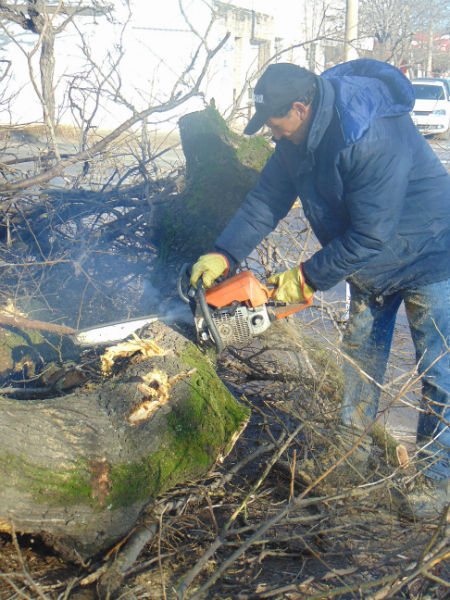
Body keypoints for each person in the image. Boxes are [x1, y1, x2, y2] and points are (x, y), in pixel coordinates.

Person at [189, 58, 450, 520]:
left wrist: (306, 278)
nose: (273, 134)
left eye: (276, 124)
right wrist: (225, 253)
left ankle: (436, 480)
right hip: (370, 258)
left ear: (300, 108)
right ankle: (349, 459)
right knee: (359, 361)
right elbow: (266, 200)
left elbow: (372, 232)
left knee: (438, 369)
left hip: (430, 249)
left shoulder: (367, 134)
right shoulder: (295, 140)